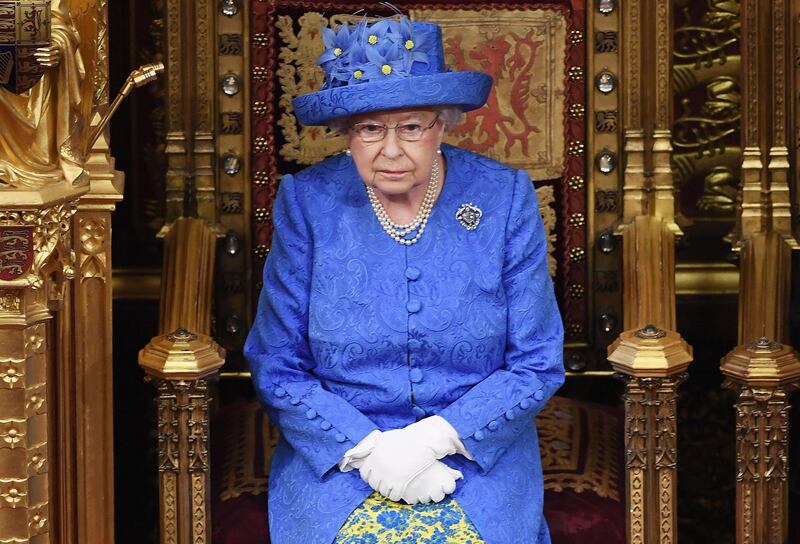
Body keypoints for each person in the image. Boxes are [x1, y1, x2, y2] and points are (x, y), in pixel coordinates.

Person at [244, 15, 564, 544]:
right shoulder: (308, 203)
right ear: (347, 133)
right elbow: (276, 363)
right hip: (340, 461)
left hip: (474, 457)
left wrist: (433, 441)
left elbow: (536, 362)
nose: (391, 149)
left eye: (412, 126)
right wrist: (369, 450)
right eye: (371, 128)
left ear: (443, 124)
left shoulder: (503, 199)